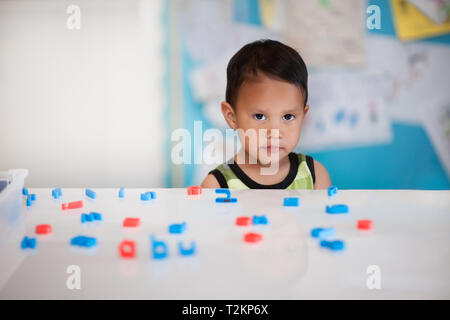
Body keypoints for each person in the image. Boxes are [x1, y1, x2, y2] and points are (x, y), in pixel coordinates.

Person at [201, 39, 331, 189]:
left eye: (288, 117)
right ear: (232, 117)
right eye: (259, 116)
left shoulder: (315, 177)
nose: (275, 132)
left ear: (303, 116)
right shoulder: (217, 186)